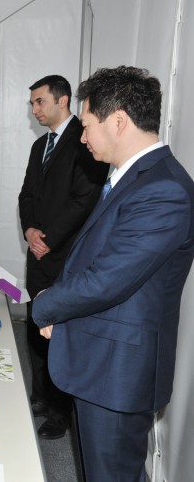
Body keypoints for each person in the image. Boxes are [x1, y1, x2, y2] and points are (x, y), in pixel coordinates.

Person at [32, 66, 194, 481]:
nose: (82, 137)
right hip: (101, 361)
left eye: (87, 126)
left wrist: (46, 306)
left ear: (118, 121)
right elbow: (96, 261)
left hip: (118, 370)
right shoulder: (132, 180)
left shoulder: (164, 189)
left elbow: (109, 278)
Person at [17, 75, 109, 440]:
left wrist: (49, 239)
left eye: (40, 102)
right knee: (35, 328)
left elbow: (83, 199)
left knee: (62, 333)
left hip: (67, 256)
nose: (35, 109)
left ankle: (60, 410)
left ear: (63, 100)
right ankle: (40, 396)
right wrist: (29, 232)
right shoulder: (40, 146)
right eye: (32, 104)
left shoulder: (84, 142)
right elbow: (26, 195)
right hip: (38, 256)